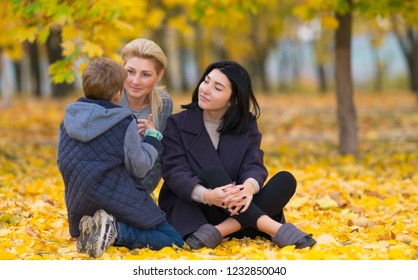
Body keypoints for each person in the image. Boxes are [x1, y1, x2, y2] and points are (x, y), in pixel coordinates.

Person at [158, 60, 317, 250]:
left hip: (237, 211)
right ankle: (272, 227)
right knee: (211, 174)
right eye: (206, 81)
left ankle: (220, 231)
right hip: (200, 211)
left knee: (286, 180)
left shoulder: (246, 124)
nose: (205, 89)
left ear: (233, 99)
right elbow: (175, 172)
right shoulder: (177, 123)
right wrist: (209, 196)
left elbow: (253, 164)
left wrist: (248, 189)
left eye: (217, 88)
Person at [56, 57, 183, 258]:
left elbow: (61, 161)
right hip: (116, 198)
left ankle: (98, 228)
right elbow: (140, 167)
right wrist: (153, 136)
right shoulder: (123, 122)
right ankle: (115, 230)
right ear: (118, 94)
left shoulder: (68, 119)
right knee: (172, 239)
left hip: (78, 202)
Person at [118, 38, 172, 194]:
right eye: (130, 72)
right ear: (122, 67)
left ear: (159, 74)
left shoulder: (163, 104)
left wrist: (136, 195)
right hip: (104, 189)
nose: (136, 81)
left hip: (139, 192)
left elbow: (157, 162)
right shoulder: (107, 99)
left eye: (146, 74)